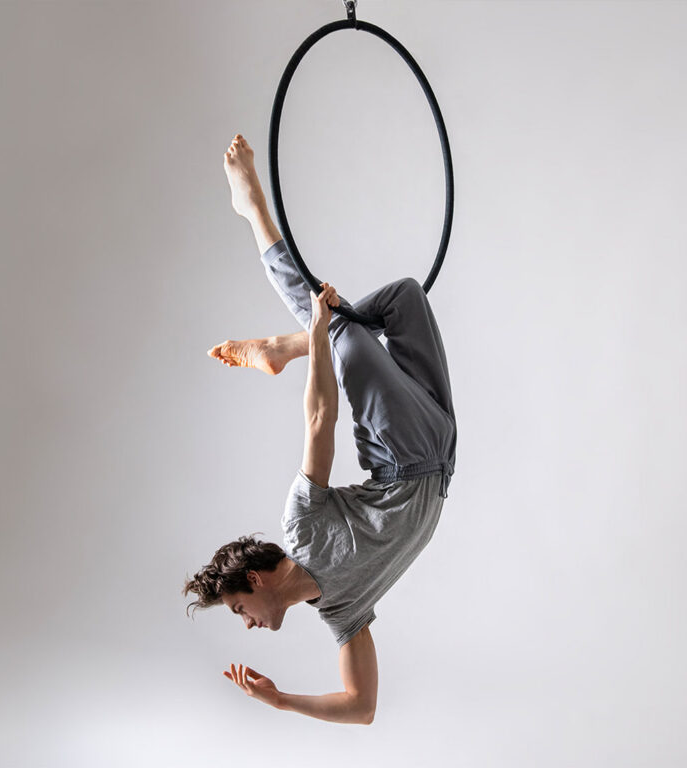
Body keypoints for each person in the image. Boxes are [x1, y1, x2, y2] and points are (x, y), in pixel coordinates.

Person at [183, 134, 457, 724]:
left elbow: (320, 418)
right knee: (399, 300)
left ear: (254, 581)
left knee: (350, 323)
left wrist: (318, 331)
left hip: (405, 452)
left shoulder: (301, 522)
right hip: (442, 452)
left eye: (239, 609)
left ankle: (252, 205)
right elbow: (362, 708)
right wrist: (278, 699)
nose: (249, 625)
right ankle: (291, 345)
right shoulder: (342, 609)